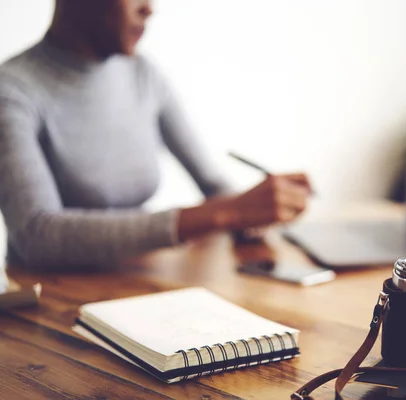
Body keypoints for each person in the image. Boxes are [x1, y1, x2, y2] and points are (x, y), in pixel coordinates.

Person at [0, 0, 311, 271]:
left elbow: (214, 185)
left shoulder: (143, 73)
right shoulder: (13, 91)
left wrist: (253, 212)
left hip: (143, 282)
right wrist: (228, 212)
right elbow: (37, 235)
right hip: (49, 303)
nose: (149, 8)